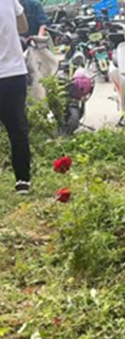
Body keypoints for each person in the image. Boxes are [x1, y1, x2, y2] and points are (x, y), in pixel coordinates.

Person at [1, 0, 31, 195]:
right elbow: (23, 26)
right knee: (17, 129)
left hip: (12, 72)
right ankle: (22, 180)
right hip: (13, 73)